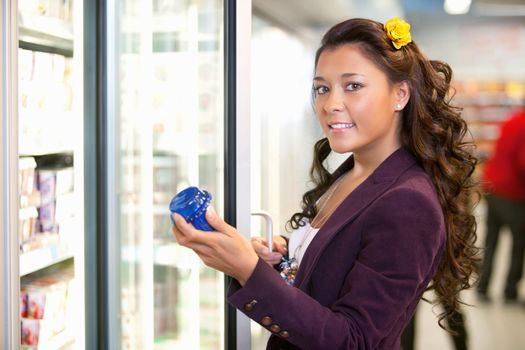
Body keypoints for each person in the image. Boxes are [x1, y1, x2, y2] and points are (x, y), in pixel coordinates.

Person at [172, 17, 479, 349]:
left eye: (353, 86)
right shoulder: (354, 171)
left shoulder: (408, 202)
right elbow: (333, 273)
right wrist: (285, 260)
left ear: (400, 94)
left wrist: (247, 270)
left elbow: (354, 340)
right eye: (322, 88)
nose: (330, 104)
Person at [477, 109, 525, 303]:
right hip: (513, 192)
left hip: (493, 187)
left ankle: (483, 287)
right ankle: (510, 291)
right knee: (518, 244)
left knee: (491, 242)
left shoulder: (512, 119)